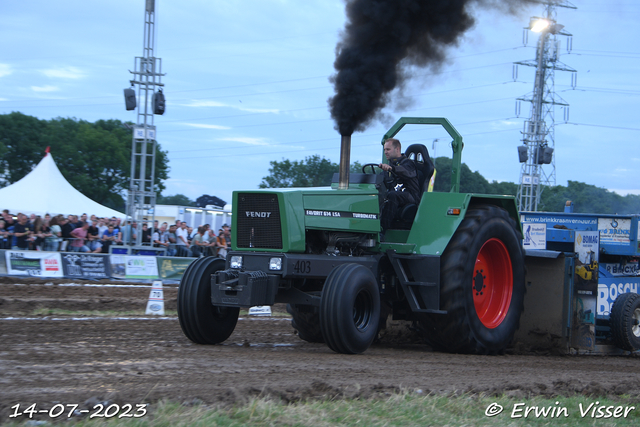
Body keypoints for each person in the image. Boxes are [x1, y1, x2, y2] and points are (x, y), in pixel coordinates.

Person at [378, 138, 420, 233]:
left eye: (388, 149)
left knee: (392, 195)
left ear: (397, 149)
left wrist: (392, 168)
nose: (385, 152)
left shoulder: (409, 164)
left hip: (411, 196)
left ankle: (381, 230)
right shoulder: (388, 168)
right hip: (396, 196)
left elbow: (405, 171)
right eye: (384, 150)